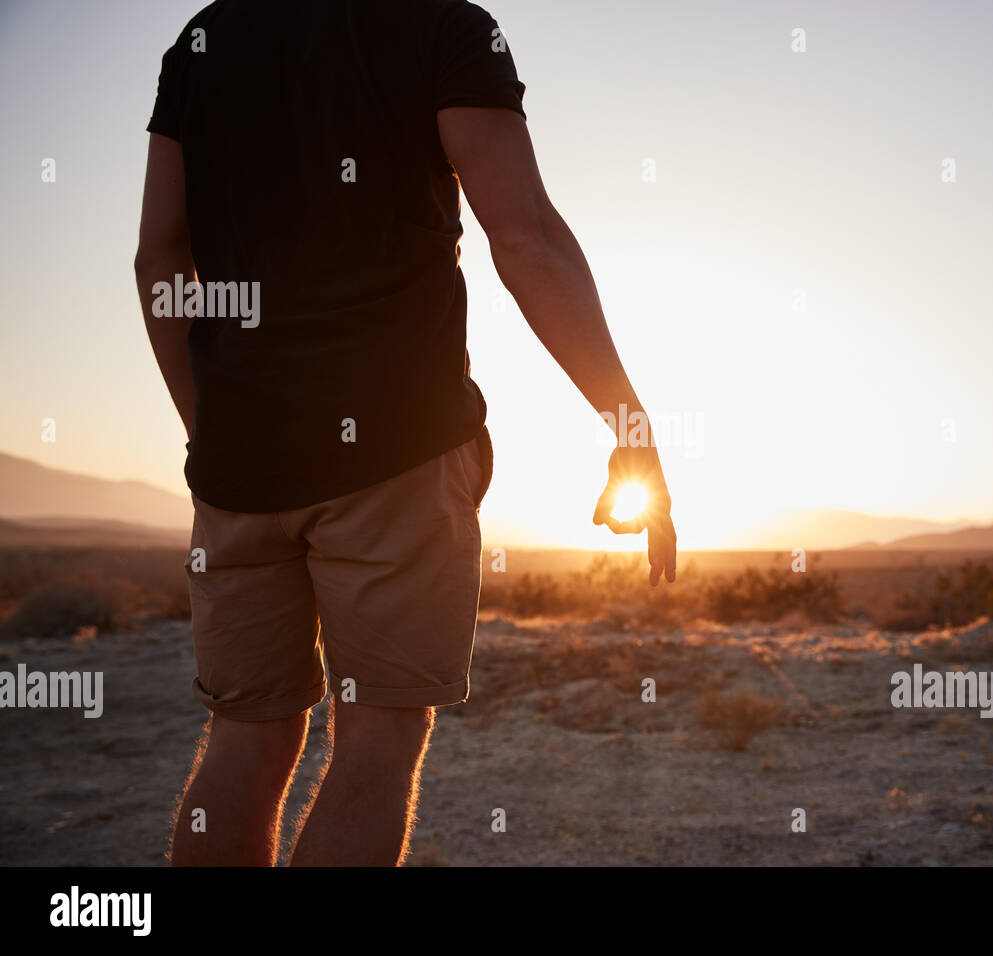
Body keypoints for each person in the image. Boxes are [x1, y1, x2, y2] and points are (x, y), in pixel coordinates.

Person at [134, 0, 676, 867]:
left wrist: (213, 428)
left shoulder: (202, 39)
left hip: (239, 466)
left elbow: (158, 259)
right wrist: (628, 421)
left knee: (246, 736)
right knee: (376, 742)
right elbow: (526, 235)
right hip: (397, 449)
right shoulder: (443, 26)